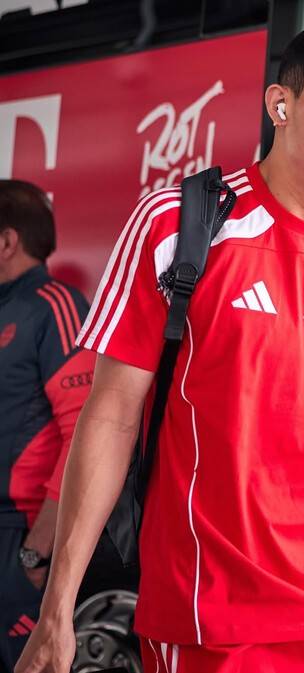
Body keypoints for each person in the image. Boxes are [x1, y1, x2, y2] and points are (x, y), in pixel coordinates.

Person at [16, 19, 304, 673]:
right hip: (217, 614)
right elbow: (112, 414)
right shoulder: (177, 225)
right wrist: (57, 610)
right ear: (281, 104)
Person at [0, 180, 94, 673]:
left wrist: (37, 553)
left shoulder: (55, 305)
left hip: (18, 541)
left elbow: (85, 430)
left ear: (7, 242)